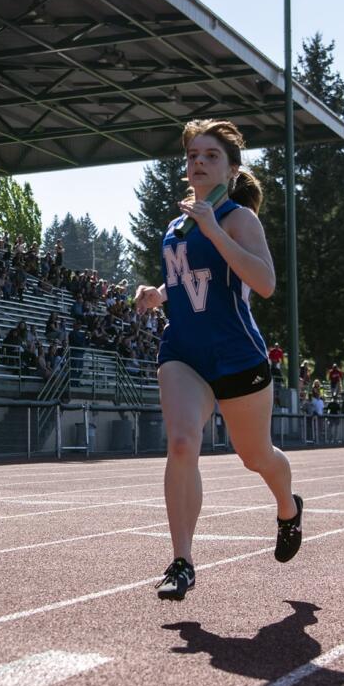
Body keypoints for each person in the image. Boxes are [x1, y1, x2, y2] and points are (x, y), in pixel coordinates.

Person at [132, 118, 301, 601]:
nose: (199, 163)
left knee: (256, 457)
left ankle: (288, 507)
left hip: (237, 355)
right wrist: (157, 294)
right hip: (183, 350)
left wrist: (214, 229)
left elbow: (264, 283)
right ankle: (181, 560)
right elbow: (191, 281)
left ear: (230, 167)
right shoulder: (175, 225)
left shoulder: (238, 218)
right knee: (183, 443)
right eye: (192, 156)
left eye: (210, 156)